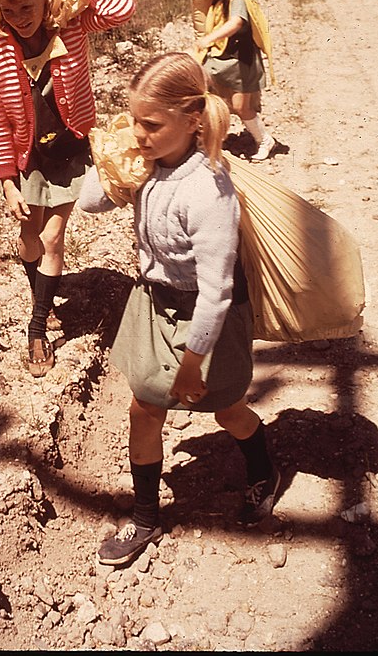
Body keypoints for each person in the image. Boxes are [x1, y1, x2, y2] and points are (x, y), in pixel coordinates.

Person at [78, 52, 280, 566]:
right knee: (144, 408)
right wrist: (116, 159)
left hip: (205, 318)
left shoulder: (208, 191)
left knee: (226, 410)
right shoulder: (147, 168)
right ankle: (145, 517)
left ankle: (263, 468)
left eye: (151, 124)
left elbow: (216, 292)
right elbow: (88, 202)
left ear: (193, 120)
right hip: (153, 302)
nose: (140, 134)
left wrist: (193, 362)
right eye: (134, 121)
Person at [0, 0, 135, 377]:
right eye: (8, 10)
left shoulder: (73, 27)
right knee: (29, 236)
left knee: (51, 237)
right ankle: (40, 293)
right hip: (27, 158)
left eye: (27, 6)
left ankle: (36, 330)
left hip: (69, 150)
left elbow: (124, 8)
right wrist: (7, 181)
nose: (18, 17)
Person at [193, 0, 276, 162]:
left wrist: (208, 39)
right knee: (205, 90)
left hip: (242, 60)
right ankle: (205, 140)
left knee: (241, 107)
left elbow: (236, 23)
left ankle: (264, 140)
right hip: (225, 58)